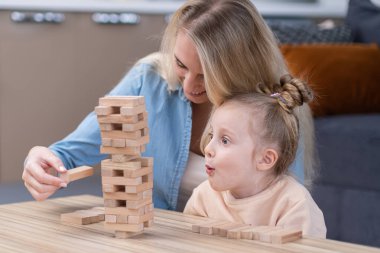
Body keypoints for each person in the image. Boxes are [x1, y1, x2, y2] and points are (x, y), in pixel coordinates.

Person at [22, 0, 316, 211]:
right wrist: (40, 159)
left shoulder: (276, 108)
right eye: (181, 65)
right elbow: (68, 154)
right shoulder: (148, 79)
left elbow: (288, 204)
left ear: (238, 70)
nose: (188, 87)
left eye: (207, 76)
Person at [184, 75, 326, 237]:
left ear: (265, 159)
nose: (208, 148)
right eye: (211, 136)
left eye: (224, 140)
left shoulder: (294, 206)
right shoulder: (204, 197)